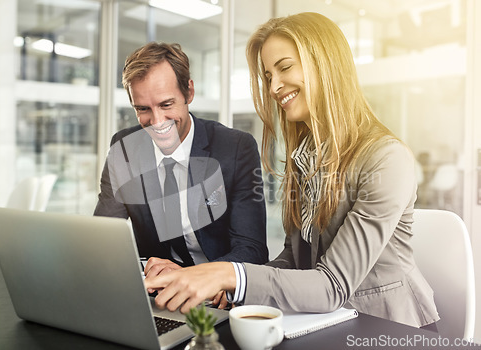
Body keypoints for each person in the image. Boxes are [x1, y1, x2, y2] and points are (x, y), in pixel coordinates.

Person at [144, 12, 440, 329]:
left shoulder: (387, 158)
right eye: (268, 75)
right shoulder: (305, 158)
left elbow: (332, 286)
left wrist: (228, 274)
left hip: (391, 329)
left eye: (284, 68)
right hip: (330, 323)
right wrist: (224, 284)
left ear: (326, 65)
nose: (273, 86)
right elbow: (294, 260)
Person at [94, 42, 268, 284]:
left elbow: (253, 249)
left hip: (216, 290)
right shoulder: (124, 149)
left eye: (166, 105)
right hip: (158, 293)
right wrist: (144, 268)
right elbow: (101, 240)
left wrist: (188, 277)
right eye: (143, 109)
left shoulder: (235, 148)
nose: (156, 121)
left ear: (189, 93)